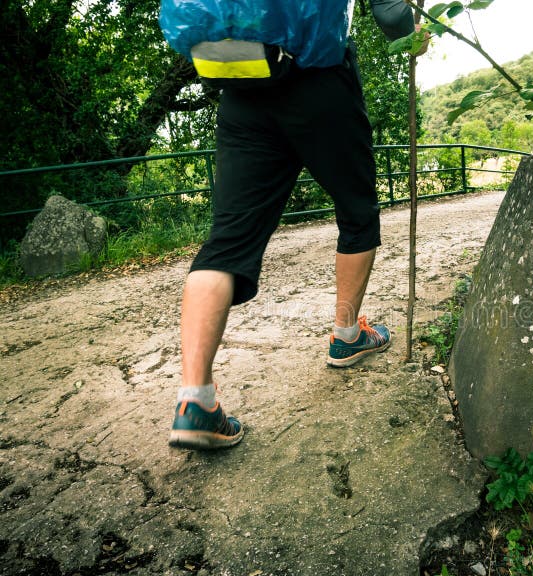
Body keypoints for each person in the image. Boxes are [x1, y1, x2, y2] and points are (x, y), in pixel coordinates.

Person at [167, 0, 423, 450]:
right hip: (320, 83)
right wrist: (411, 28)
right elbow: (391, 16)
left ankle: (195, 401)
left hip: (242, 87)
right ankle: (347, 335)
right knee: (356, 210)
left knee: (227, 240)